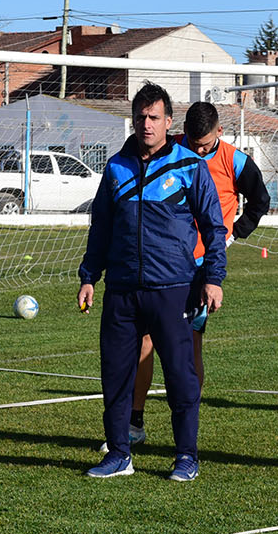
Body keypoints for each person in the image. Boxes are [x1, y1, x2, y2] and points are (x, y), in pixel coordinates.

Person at [78, 83, 226, 482]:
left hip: (174, 287)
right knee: (115, 374)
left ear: (168, 122)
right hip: (123, 290)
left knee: (180, 375)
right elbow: (101, 228)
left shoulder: (188, 166)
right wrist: (90, 276)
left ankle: (186, 456)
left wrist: (213, 278)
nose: (146, 124)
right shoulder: (115, 168)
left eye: (154, 117)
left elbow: (214, 227)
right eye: (141, 117)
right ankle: (119, 454)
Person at [112, 102, 269, 452]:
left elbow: (260, 200)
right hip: (160, 264)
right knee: (144, 340)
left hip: (200, 268)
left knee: (188, 344)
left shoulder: (234, 159)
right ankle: (134, 423)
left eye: (207, 146)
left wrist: (234, 233)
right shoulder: (170, 151)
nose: (200, 151)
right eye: (194, 144)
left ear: (220, 134)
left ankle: (187, 431)